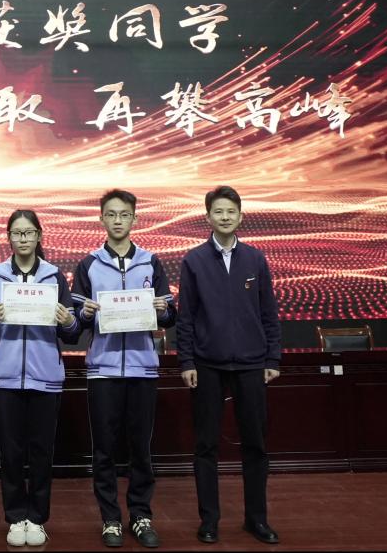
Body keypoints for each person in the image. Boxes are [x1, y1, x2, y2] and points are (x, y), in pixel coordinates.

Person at [176, 186, 281, 545]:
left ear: (240, 216)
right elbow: (186, 317)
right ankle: (209, 521)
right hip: (207, 364)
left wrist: (272, 357)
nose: (225, 217)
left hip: (252, 364)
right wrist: (186, 360)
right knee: (205, 446)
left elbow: (268, 312)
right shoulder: (193, 260)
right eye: (218, 211)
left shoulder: (255, 259)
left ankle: (257, 520)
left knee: (256, 445)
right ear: (208, 217)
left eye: (231, 211)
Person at [71, 189, 176, 549]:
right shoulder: (88, 264)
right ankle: (110, 519)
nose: (118, 220)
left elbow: (170, 316)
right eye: (111, 214)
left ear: (134, 219)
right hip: (103, 370)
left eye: (124, 214)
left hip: (142, 368)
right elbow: (75, 322)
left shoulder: (150, 262)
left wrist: (162, 309)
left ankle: (141, 515)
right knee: (104, 450)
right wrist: (84, 313)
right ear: (101, 218)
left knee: (140, 449)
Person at [0, 210, 80, 547]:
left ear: (38, 236)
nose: (23, 238)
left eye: (28, 232)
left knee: (41, 452)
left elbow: (73, 332)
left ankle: (37, 518)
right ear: (9, 237)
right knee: (10, 452)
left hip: (45, 375)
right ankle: (15, 516)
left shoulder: (54, 276)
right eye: (17, 233)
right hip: (3, 378)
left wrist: (68, 321)